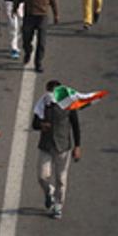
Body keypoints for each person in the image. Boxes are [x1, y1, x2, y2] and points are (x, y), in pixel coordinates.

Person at [31, 81, 84, 218]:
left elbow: (75, 125)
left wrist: (77, 146)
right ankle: (49, 191)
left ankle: (58, 205)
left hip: (63, 146)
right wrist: (42, 125)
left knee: (61, 178)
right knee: (42, 176)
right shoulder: (42, 104)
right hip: (46, 146)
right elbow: (35, 124)